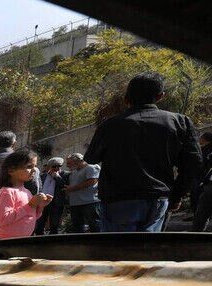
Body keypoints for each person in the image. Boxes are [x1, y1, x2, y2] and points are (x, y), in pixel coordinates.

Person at [84, 72, 202, 232]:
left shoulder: (110, 126)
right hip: (157, 200)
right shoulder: (179, 122)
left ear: (126, 99)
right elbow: (193, 163)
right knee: (147, 252)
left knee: (117, 252)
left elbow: (91, 158)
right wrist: (176, 195)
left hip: (118, 200)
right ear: (160, 96)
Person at [0, 149, 51, 239]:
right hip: (4, 241)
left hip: (21, 240)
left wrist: (40, 206)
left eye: (35, 166)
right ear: (11, 170)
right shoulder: (6, 192)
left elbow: (32, 216)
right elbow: (2, 220)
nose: (34, 170)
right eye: (29, 166)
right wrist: (30, 205)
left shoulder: (27, 192)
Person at [64, 153, 101, 233]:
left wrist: (72, 188)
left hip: (89, 202)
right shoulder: (74, 172)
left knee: (94, 225)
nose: (67, 165)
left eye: (69, 163)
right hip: (75, 203)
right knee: (77, 227)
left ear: (77, 161)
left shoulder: (91, 167)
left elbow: (92, 181)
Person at [35, 157, 67, 235]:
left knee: (54, 225)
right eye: (54, 166)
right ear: (49, 166)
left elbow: (64, 186)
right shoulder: (43, 176)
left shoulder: (64, 174)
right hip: (43, 202)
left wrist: (57, 177)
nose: (56, 168)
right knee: (40, 223)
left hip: (56, 203)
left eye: (59, 166)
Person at [189, 133, 212, 232]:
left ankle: (196, 236)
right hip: (206, 183)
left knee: (202, 213)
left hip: (205, 183)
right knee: (202, 212)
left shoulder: (204, 151)